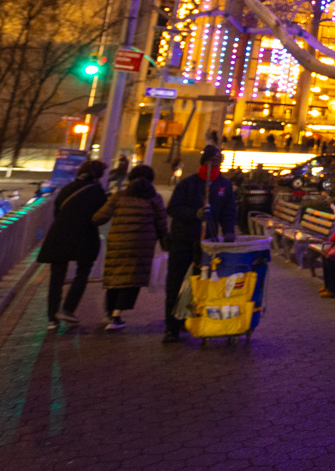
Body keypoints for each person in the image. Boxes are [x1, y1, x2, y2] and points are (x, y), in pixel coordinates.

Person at [164, 144, 237, 344]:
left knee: (203, 284)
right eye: (211, 162)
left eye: (218, 162)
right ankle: (172, 327)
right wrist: (193, 214)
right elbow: (173, 208)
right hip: (184, 240)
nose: (215, 165)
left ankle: (195, 319)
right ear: (204, 162)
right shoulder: (188, 184)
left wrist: (229, 230)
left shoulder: (224, 185)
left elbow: (228, 211)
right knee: (176, 283)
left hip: (208, 244)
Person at [93, 165, 168, 330]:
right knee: (132, 279)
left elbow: (100, 217)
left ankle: (109, 313)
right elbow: (161, 224)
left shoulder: (119, 196)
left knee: (115, 277)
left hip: (118, 242)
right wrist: (165, 243)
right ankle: (116, 316)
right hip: (142, 245)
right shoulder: (154, 198)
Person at [37, 159, 107, 326]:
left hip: (59, 236)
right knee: (82, 273)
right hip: (85, 237)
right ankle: (68, 310)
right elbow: (99, 218)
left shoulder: (67, 189)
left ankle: (52, 318)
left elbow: (57, 210)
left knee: (57, 277)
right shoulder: (98, 192)